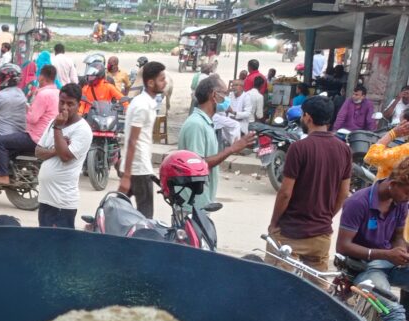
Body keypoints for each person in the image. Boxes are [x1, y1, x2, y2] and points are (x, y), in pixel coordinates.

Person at [267, 96, 352, 272]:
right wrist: (327, 217)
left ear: (307, 117)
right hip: (321, 235)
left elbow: (285, 193)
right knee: (315, 285)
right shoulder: (344, 149)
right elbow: (344, 193)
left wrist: (274, 223)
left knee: (276, 282)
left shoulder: (299, 148)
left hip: (290, 232)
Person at [336, 158, 409, 321]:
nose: (408, 198)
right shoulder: (357, 202)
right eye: (407, 193)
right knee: (392, 310)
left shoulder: (400, 202)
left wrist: (401, 250)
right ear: (393, 184)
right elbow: (343, 246)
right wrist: (387, 255)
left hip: (388, 261)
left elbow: (397, 237)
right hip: (363, 267)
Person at [178, 75, 255, 209]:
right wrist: (231, 149)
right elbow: (197, 165)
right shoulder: (196, 124)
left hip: (201, 202)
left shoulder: (206, 122)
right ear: (214, 95)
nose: (227, 99)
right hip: (192, 205)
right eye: (224, 94)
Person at [0, 65, 59, 186]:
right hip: (49, 137)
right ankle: (8, 170)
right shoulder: (57, 92)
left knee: (1, 141)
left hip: (36, 137)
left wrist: (26, 110)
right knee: (12, 142)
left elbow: (32, 118)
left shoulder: (43, 94)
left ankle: (3, 176)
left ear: (42, 77)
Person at [35, 83, 94, 228]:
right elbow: (38, 151)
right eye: (61, 102)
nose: (64, 107)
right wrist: (56, 149)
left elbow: (65, 156)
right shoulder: (53, 122)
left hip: (61, 203)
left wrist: (58, 128)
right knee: (43, 239)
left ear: (78, 105)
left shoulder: (82, 129)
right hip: (45, 199)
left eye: (70, 104)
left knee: (59, 242)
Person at [119, 61, 167, 218]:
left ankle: (97, 225)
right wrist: (127, 176)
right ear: (151, 83)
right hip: (139, 169)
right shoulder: (142, 106)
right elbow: (132, 140)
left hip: (137, 166)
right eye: (161, 79)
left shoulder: (146, 102)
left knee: (118, 208)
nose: (165, 82)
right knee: (146, 217)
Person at [364, 111, 409, 179]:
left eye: (400, 124)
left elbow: (370, 157)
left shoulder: (406, 149)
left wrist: (392, 134)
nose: (397, 126)